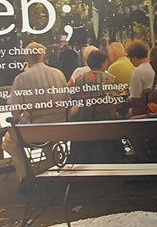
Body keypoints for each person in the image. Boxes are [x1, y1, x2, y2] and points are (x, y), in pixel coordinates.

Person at [2, 42, 69, 184]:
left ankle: (25, 176)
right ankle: (50, 170)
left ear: (26, 58)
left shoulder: (22, 78)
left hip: (34, 132)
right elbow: (67, 101)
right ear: (43, 55)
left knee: (8, 142)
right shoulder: (59, 74)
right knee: (48, 141)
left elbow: (15, 112)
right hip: (58, 129)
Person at [69, 49, 124, 163]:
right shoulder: (110, 78)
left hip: (84, 119)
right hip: (105, 119)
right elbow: (116, 99)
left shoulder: (80, 79)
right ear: (103, 63)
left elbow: (73, 95)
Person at [127, 40, 154, 117]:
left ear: (134, 57)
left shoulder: (138, 71)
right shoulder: (154, 66)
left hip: (142, 110)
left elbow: (135, 98)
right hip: (155, 107)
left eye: (129, 57)